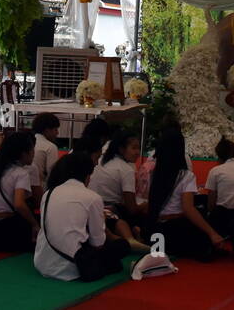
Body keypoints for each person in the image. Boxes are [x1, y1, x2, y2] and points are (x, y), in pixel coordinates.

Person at [35, 152, 134, 282]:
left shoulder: (48, 193)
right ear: (88, 175)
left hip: (42, 262)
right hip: (72, 268)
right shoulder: (92, 198)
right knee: (122, 246)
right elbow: (97, 243)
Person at [146, 128, 225, 262]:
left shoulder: (154, 173)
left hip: (153, 229)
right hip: (174, 230)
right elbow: (188, 209)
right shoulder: (185, 176)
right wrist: (212, 233)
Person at [0, 130, 39, 251]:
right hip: (5, 230)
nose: (33, 153)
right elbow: (19, 204)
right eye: (32, 149)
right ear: (23, 153)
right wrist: (35, 224)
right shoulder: (21, 173)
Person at [91, 130, 148, 224]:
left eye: (139, 148)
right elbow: (132, 209)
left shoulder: (100, 160)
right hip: (110, 214)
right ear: (121, 149)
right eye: (134, 148)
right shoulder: (126, 169)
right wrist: (146, 204)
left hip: (92, 208)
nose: (138, 152)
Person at [30, 112, 62, 194]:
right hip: (40, 190)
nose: (57, 133)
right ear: (47, 130)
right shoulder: (50, 147)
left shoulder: (28, 142)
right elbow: (52, 175)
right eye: (55, 130)